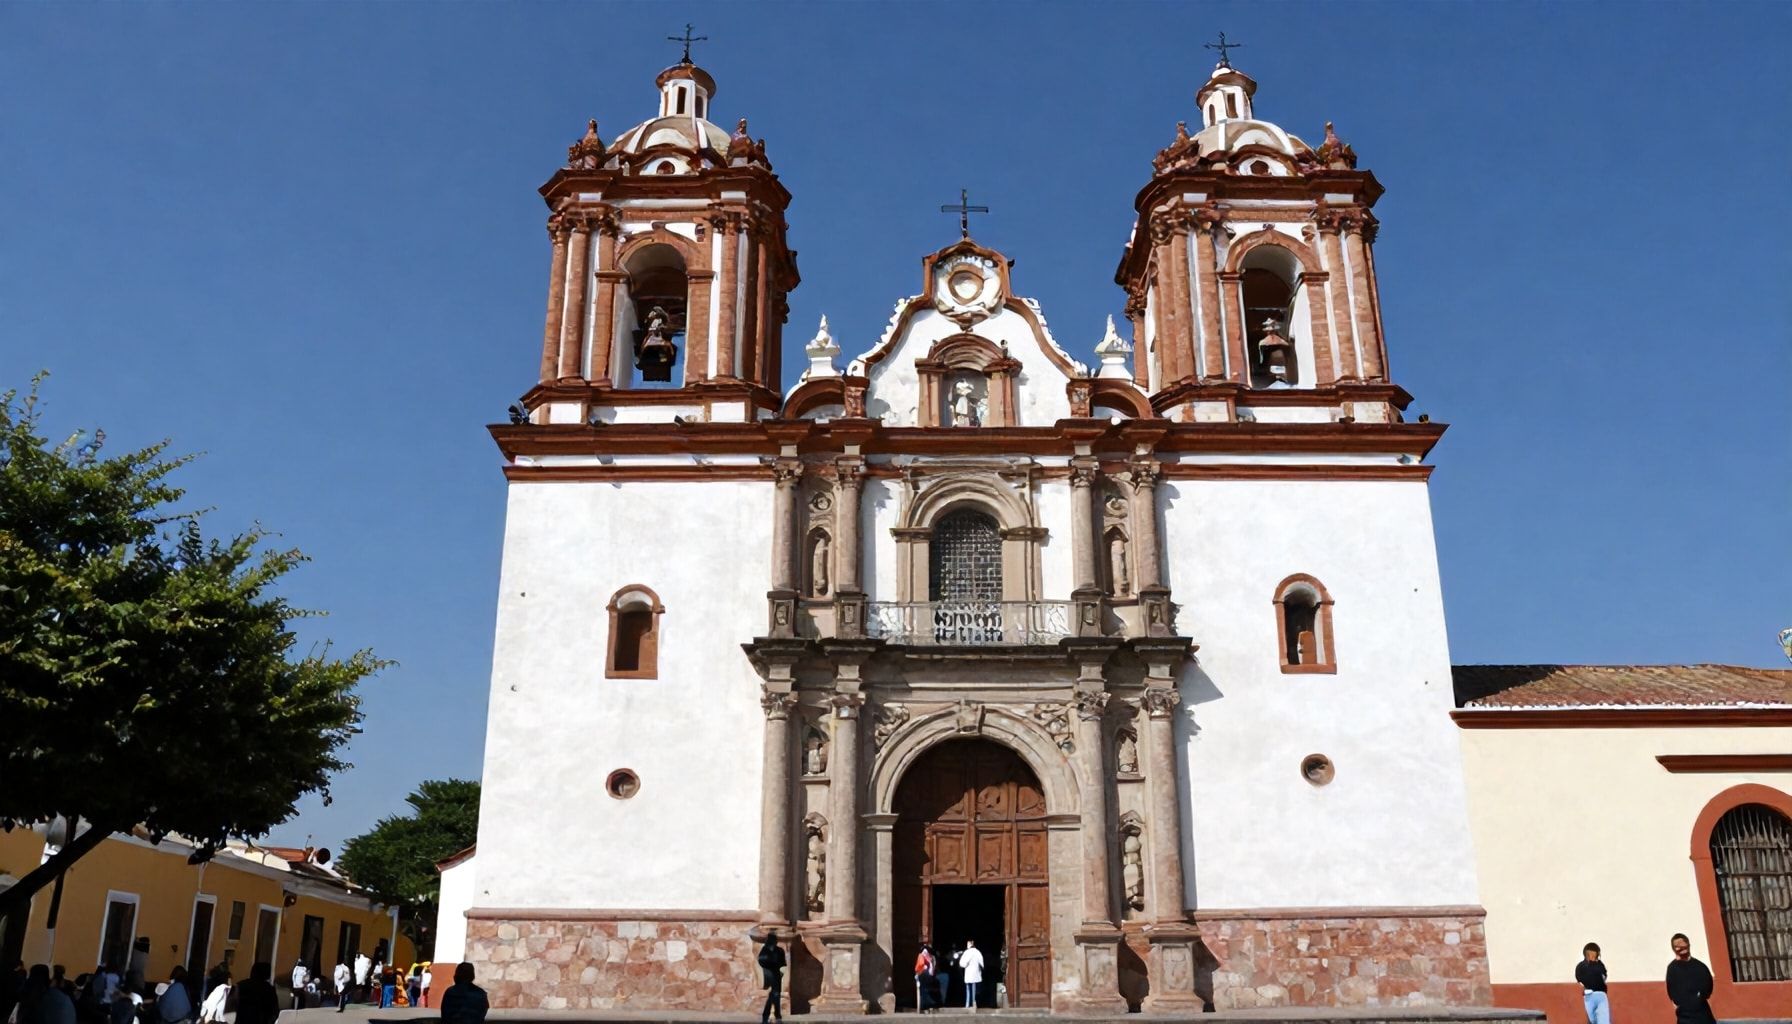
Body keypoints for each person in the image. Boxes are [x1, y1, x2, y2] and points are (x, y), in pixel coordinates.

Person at [1665, 933, 1716, 1024]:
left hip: (1703, 1016)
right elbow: (1671, 992)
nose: (1681, 948)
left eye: (1683, 945)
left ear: (1688, 945)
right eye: (1678, 946)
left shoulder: (1700, 966)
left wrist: (1698, 998)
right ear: (1673, 949)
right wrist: (1680, 1005)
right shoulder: (1672, 969)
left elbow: (1708, 988)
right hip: (1684, 1018)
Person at [1576, 942, 1609, 1024]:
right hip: (1588, 995)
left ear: (1597, 954)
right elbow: (1578, 980)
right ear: (1585, 954)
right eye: (1589, 953)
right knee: (1591, 1020)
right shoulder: (1581, 966)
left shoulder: (1600, 965)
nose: (1592, 955)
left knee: (1603, 1020)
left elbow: (1604, 976)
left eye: (1594, 953)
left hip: (1601, 995)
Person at [755, 935, 784, 1024]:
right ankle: (776, 1015)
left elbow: (782, 963)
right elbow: (761, 961)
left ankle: (771, 1015)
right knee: (775, 994)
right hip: (768, 974)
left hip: (776, 973)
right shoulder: (765, 950)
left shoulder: (779, 950)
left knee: (775, 994)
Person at [958, 940, 985, 1010]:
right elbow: (982, 964)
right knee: (974, 990)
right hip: (977, 975)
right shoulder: (978, 952)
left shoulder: (967, 952)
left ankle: (968, 1004)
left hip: (969, 975)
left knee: (969, 990)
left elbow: (962, 964)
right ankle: (974, 1003)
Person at [914, 943, 937, 1013]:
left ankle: (924, 1006)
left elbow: (920, 967)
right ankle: (925, 1006)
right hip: (925, 976)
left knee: (924, 992)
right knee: (924, 991)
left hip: (924, 976)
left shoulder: (928, 957)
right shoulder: (928, 957)